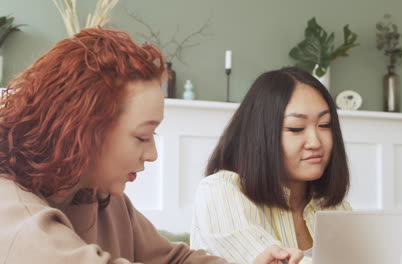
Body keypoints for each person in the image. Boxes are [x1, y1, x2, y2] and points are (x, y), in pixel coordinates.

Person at [0, 28, 303, 264]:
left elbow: (175, 259)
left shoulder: (103, 197)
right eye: (142, 137)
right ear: (82, 129)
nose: (153, 154)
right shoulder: (12, 214)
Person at [190, 67, 351, 264]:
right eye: (296, 128)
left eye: (325, 125)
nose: (315, 142)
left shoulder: (336, 208)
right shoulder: (220, 191)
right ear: (261, 134)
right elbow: (267, 259)